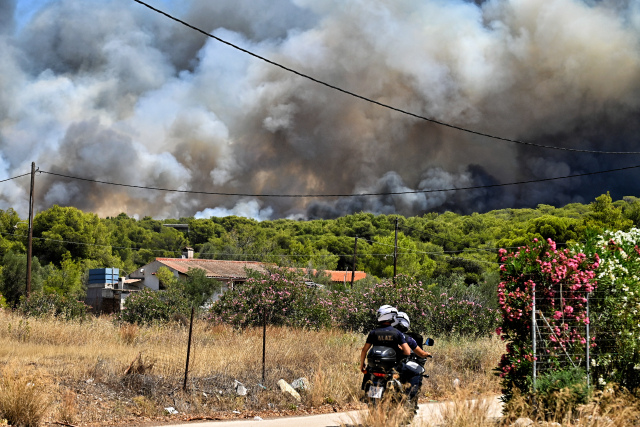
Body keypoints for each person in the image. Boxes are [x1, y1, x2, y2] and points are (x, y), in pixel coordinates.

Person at [360, 305, 411, 391]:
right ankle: (406, 397)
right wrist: (399, 352)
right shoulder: (397, 333)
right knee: (411, 372)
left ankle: (365, 393)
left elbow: (364, 350)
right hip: (392, 366)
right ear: (391, 317)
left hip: (375, 365)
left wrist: (362, 365)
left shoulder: (373, 332)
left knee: (369, 372)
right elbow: (407, 352)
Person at [392, 311, 430, 403]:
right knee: (415, 374)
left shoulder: (384, 334)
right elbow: (418, 353)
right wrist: (426, 354)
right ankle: (408, 398)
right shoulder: (406, 337)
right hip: (397, 365)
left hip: (383, 365)